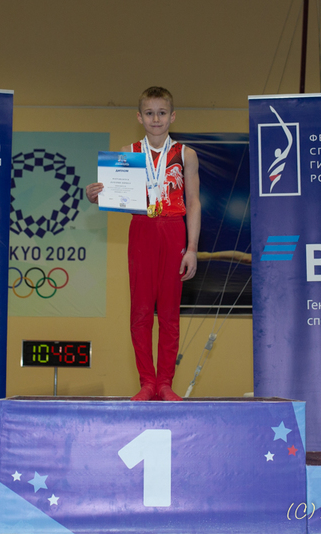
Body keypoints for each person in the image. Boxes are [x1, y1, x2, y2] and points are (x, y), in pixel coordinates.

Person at [86, 87, 201, 401]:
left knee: (169, 313)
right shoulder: (128, 152)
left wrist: (192, 248)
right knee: (140, 310)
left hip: (174, 230)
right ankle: (147, 382)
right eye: (149, 113)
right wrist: (95, 195)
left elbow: (194, 202)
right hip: (142, 229)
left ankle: (165, 383)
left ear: (172, 116)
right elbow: (116, 194)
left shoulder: (187, 154)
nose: (156, 119)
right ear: (139, 117)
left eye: (162, 113)